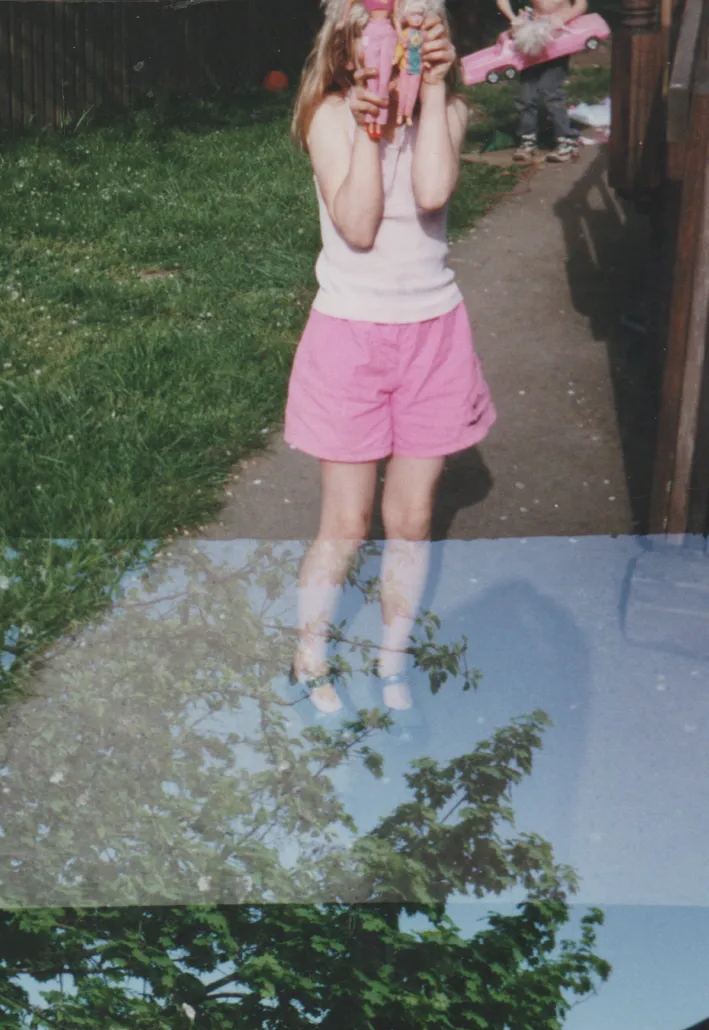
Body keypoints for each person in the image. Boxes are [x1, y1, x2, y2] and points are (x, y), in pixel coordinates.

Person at [285, 0, 496, 715]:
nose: (385, 58)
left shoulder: (449, 111)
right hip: (349, 338)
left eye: (408, 43)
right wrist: (373, 134)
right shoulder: (329, 119)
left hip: (432, 338)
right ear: (345, 50)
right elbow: (358, 225)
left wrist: (432, 90)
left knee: (409, 519)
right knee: (346, 522)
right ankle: (309, 651)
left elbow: (433, 190)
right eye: (371, 44)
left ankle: (391, 653)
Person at [496, 0, 588, 163]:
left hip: (559, 33)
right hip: (533, 32)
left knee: (550, 89)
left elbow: (581, 4)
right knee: (527, 92)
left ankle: (565, 139)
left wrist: (566, 16)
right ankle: (528, 138)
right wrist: (513, 19)